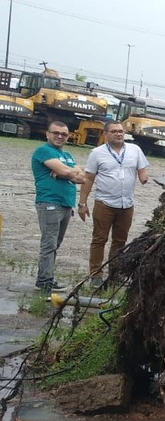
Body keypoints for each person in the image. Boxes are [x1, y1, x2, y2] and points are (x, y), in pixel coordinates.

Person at [77, 120, 150, 287]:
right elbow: (88, 178)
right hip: (105, 203)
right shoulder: (97, 153)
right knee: (99, 239)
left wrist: (143, 177)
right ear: (106, 134)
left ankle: (115, 273)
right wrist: (82, 203)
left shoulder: (135, 150)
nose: (119, 134)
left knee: (120, 241)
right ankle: (96, 274)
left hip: (126, 205)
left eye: (121, 131)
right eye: (114, 131)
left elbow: (142, 169)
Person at [31, 121, 85, 294]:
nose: (60, 136)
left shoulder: (67, 154)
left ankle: (47, 277)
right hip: (49, 203)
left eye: (64, 134)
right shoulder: (43, 151)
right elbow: (69, 173)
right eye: (56, 133)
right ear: (47, 134)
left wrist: (69, 171)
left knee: (56, 243)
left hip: (66, 204)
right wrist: (69, 172)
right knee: (49, 243)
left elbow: (82, 178)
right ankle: (44, 281)